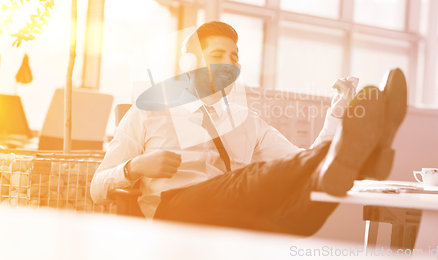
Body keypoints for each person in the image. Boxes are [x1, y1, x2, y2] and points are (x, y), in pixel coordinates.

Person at [91, 21, 407, 236]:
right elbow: (96, 186)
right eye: (217, 56)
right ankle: (368, 157)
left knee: (306, 206)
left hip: (232, 213)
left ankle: (362, 157)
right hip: (174, 214)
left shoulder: (246, 119)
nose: (228, 64)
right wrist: (136, 166)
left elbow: (301, 160)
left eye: (233, 58)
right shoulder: (149, 111)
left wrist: (337, 115)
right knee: (247, 179)